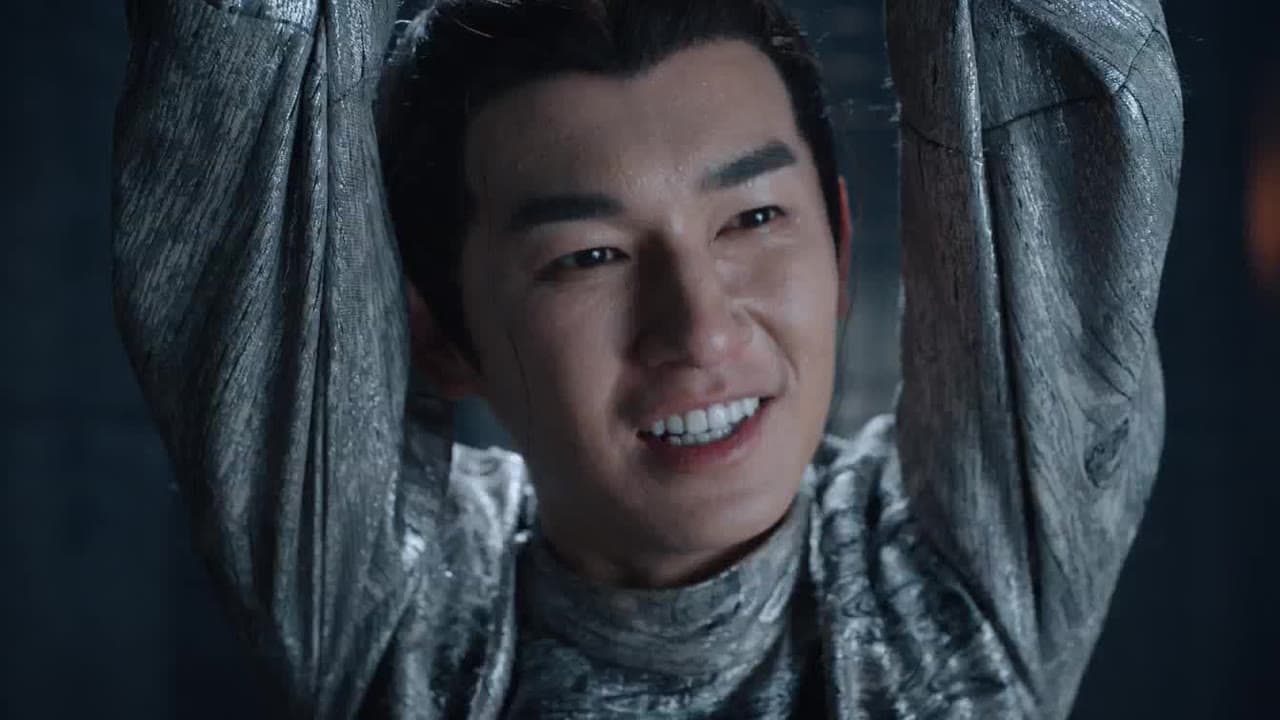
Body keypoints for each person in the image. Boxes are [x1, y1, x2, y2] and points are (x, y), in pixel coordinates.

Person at [111, 0, 1183, 717]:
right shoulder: (403, 620)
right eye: (588, 256)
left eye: (753, 217)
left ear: (840, 243)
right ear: (438, 332)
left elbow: (1040, 61)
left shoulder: (962, 588)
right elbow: (246, 93)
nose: (702, 332)